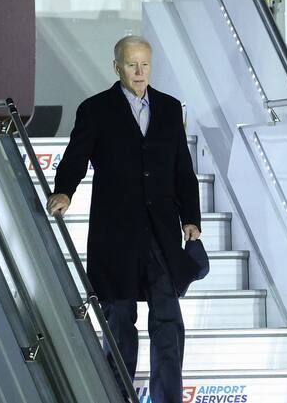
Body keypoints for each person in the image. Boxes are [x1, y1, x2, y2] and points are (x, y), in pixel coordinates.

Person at [46, 35, 201, 403]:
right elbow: (76, 157)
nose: (139, 71)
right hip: (115, 235)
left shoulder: (168, 108)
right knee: (119, 320)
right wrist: (65, 190)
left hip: (161, 234)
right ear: (116, 66)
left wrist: (190, 218)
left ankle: (168, 399)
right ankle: (114, 395)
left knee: (168, 322)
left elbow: (183, 168)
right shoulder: (95, 109)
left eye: (145, 64)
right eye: (131, 64)